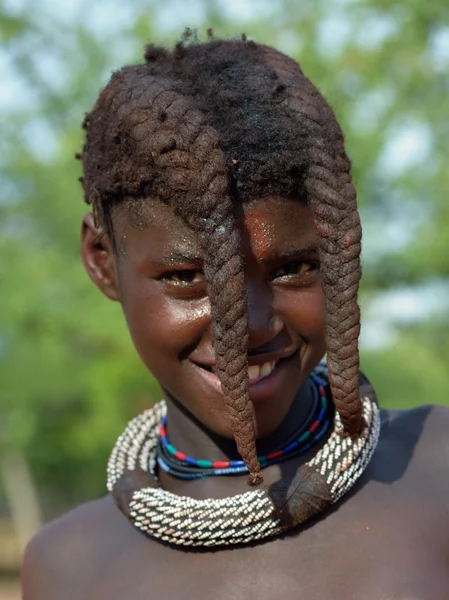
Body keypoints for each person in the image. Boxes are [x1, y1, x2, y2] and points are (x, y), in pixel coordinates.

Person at [21, 31, 449, 599]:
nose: (247, 324)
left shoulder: (437, 469)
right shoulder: (66, 567)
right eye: (186, 277)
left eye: (294, 268)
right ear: (103, 263)